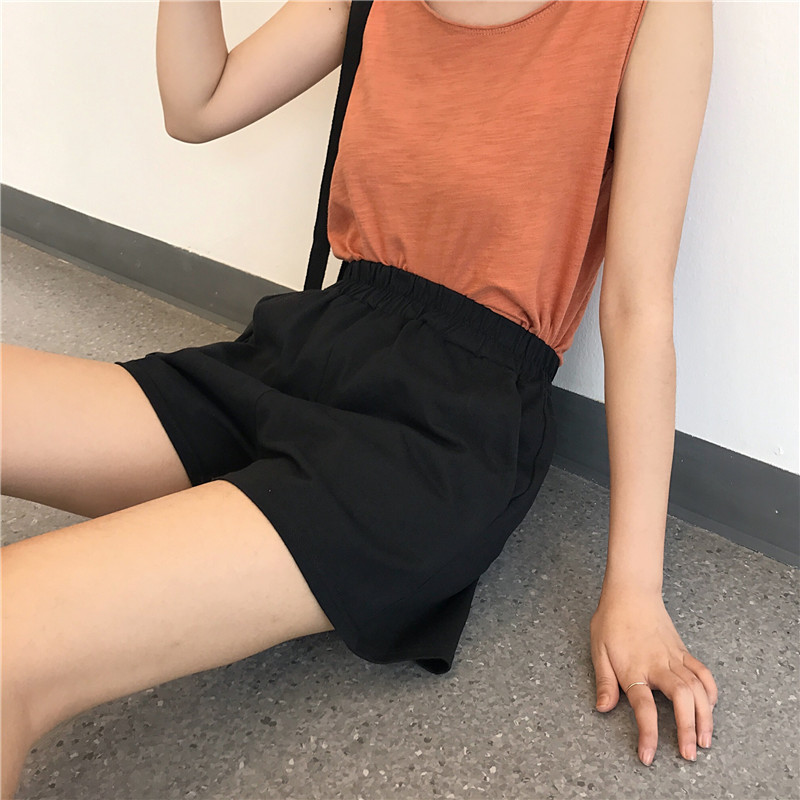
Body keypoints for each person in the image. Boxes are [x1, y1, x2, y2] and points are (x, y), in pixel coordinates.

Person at [0, 1, 717, 797]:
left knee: (12, 629)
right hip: (303, 351)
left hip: (440, 435)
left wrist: (635, 590)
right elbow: (198, 106)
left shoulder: (653, 11)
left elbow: (638, 308)